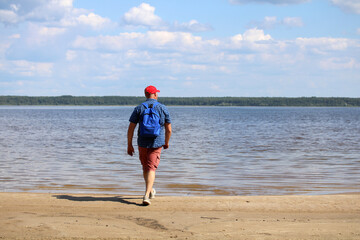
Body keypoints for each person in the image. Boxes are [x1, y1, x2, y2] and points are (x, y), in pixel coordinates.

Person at [127, 85, 172, 206]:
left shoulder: (139, 108)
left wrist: (129, 144)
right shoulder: (162, 108)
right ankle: (147, 195)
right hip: (157, 142)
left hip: (142, 142)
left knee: (146, 167)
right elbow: (169, 129)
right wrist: (166, 142)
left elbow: (131, 128)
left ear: (146, 95)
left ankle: (150, 190)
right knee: (151, 168)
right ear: (155, 94)